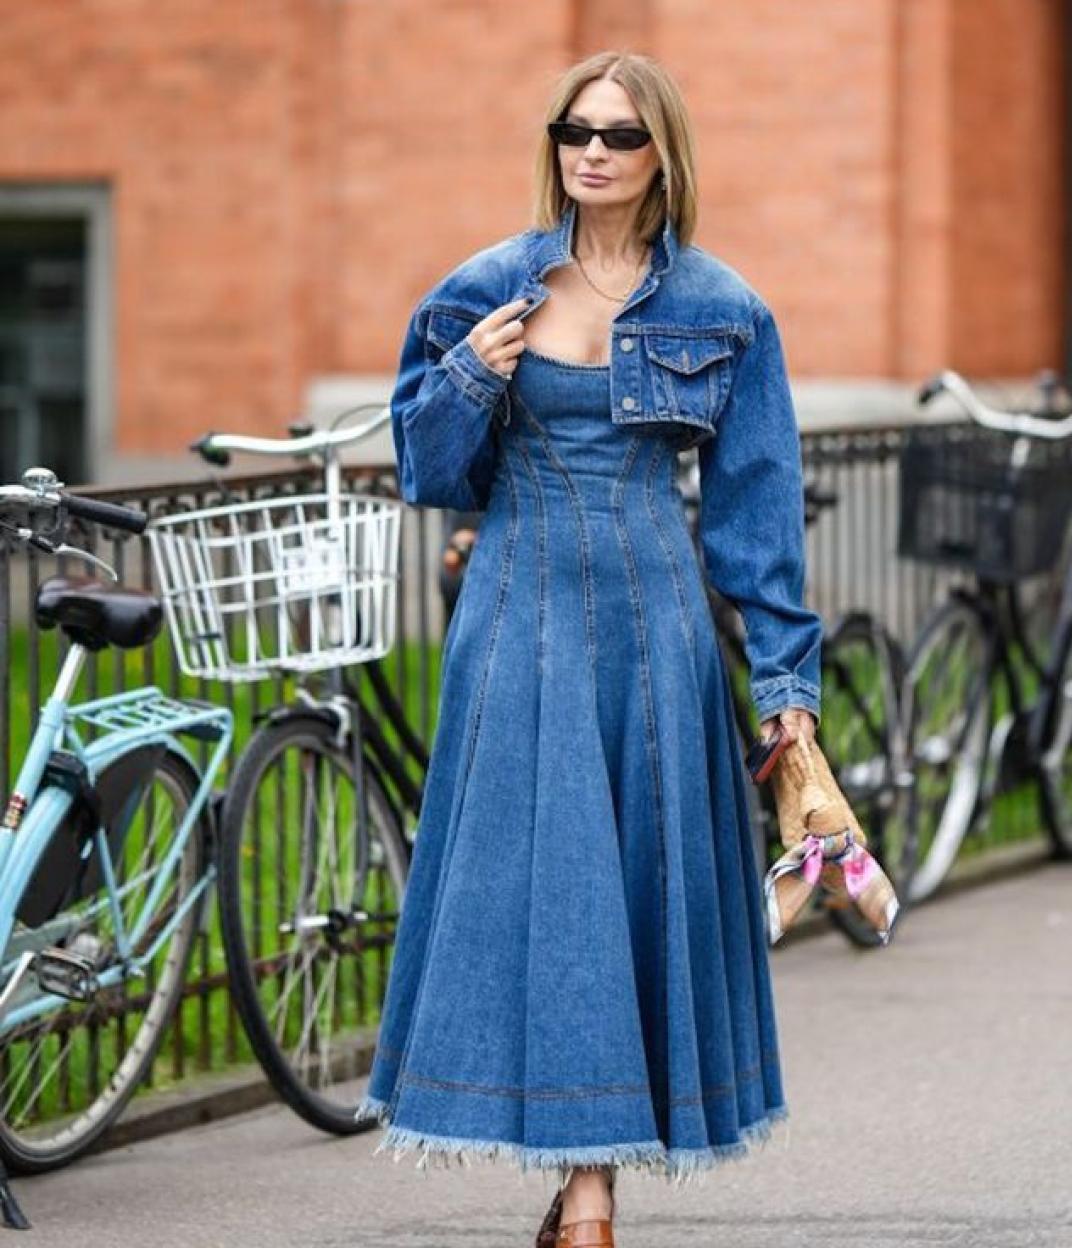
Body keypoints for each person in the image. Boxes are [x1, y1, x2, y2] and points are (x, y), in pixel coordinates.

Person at [355, 50, 823, 1248]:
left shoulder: (726, 309)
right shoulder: (478, 290)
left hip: (658, 637)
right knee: (550, 897)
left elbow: (758, 517)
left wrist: (787, 690)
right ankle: (588, 1193)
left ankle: (587, 1192)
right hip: (515, 623)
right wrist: (470, 376)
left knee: (634, 897)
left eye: (619, 134)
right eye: (575, 131)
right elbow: (426, 471)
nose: (593, 152)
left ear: (664, 154)